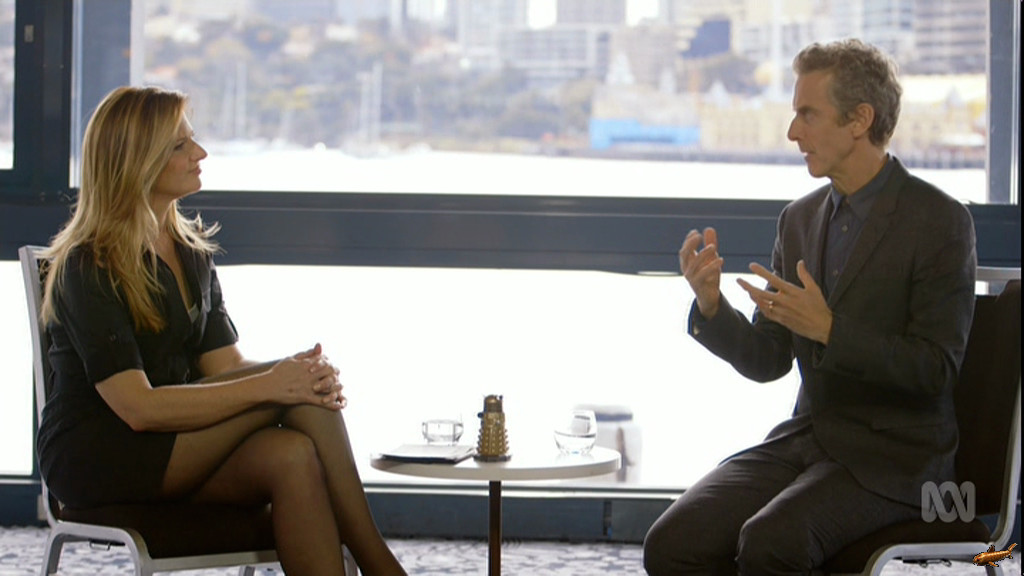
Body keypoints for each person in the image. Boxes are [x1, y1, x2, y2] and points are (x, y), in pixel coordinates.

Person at [36, 86, 406, 576]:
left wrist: (298, 373)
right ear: (137, 161)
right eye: (180, 145)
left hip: (177, 442)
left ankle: (375, 565)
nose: (200, 153)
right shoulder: (89, 265)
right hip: (102, 454)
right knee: (291, 391)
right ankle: (380, 565)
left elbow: (226, 367)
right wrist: (279, 383)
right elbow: (139, 409)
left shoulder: (189, 252)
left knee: (292, 452)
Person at [643, 39, 977, 575]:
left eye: (807, 114)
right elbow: (768, 358)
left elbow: (935, 370)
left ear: (859, 120)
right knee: (671, 543)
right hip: (807, 439)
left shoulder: (939, 222)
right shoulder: (797, 220)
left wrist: (831, 330)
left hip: (898, 462)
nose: (792, 132)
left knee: (770, 542)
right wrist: (712, 307)